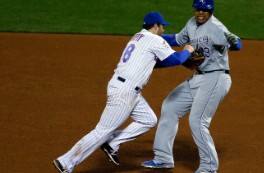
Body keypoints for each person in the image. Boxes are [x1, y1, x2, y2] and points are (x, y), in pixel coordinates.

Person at [53, 12, 195, 173]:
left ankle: (112, 143)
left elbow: (162, 50)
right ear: (155, 26)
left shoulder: (139, 36)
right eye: (162, 26)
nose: (163, 29)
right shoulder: (154, 40)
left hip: (126, 89)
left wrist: (179, 40)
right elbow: (175, 59)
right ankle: (65, 162)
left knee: (148, 119)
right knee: (102, 130)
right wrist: (188, 50)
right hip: (124, 92)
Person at [141, 1, 242, 173]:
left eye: (205, 10)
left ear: (211, 11)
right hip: (198, 78)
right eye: (198, 10)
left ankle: (209, 168)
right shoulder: (191, 23)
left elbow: (237, 43)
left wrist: (235, 41)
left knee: (197, 121)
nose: (200, 13)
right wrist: (151, 36)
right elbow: (176, 40)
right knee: (170, 106)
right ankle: (163, 158)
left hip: (216, 77)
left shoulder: (217, 27)